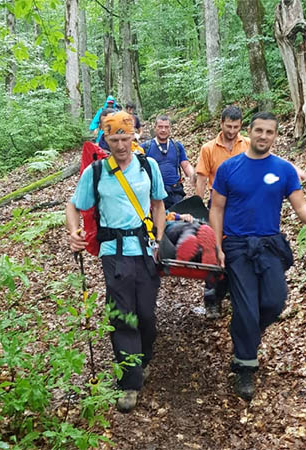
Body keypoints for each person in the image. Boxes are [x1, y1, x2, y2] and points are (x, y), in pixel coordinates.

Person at [209, 111, 306, 401]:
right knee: (246, 307)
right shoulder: (229, 168)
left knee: (275, 302)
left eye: (270, 132)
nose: (264, 136)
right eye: (259, 130)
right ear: (248, 132)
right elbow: (216, 209)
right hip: (237, 247)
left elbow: (300, 207)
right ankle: (245, 366)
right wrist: (217, 247)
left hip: (270, 245)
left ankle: (245, 331)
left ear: (275, 135)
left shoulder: (284, 169)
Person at [66, 111, 167, 413]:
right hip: (114, 253)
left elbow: (159, 204)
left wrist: (159, 239)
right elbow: (74, 207)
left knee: (146, 315)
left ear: (135, 135)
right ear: (105, 139)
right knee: (123, 317)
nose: (121, 145)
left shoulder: (148, 167)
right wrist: (74, 232)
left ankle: (144, 357)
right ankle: (129, 382)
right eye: (114, 139)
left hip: (146, 251)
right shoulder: (95, 172)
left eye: (125, 138)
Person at [196, 106, 306, 319]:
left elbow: (271, 158)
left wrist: (296, 170)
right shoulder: (209, 148)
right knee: (217, 252)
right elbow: (202, 177)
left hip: (248, 204)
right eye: (228, 126)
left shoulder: (248, 143)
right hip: (221, 203)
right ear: (221, 124)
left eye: (235, 127)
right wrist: (198, 203)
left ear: (242, 127)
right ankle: (213, 297)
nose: (231, 130)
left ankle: (246, 298)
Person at [142, 115, 195, 209]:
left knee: (179, 220)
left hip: (175, 192)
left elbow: (185, 165)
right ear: (155, 128)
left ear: (170, 129)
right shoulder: (145, 147)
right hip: (154, 193)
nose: (163, 130)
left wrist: (193, 175)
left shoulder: (177, 146)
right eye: (160, 127)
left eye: (166, 127)